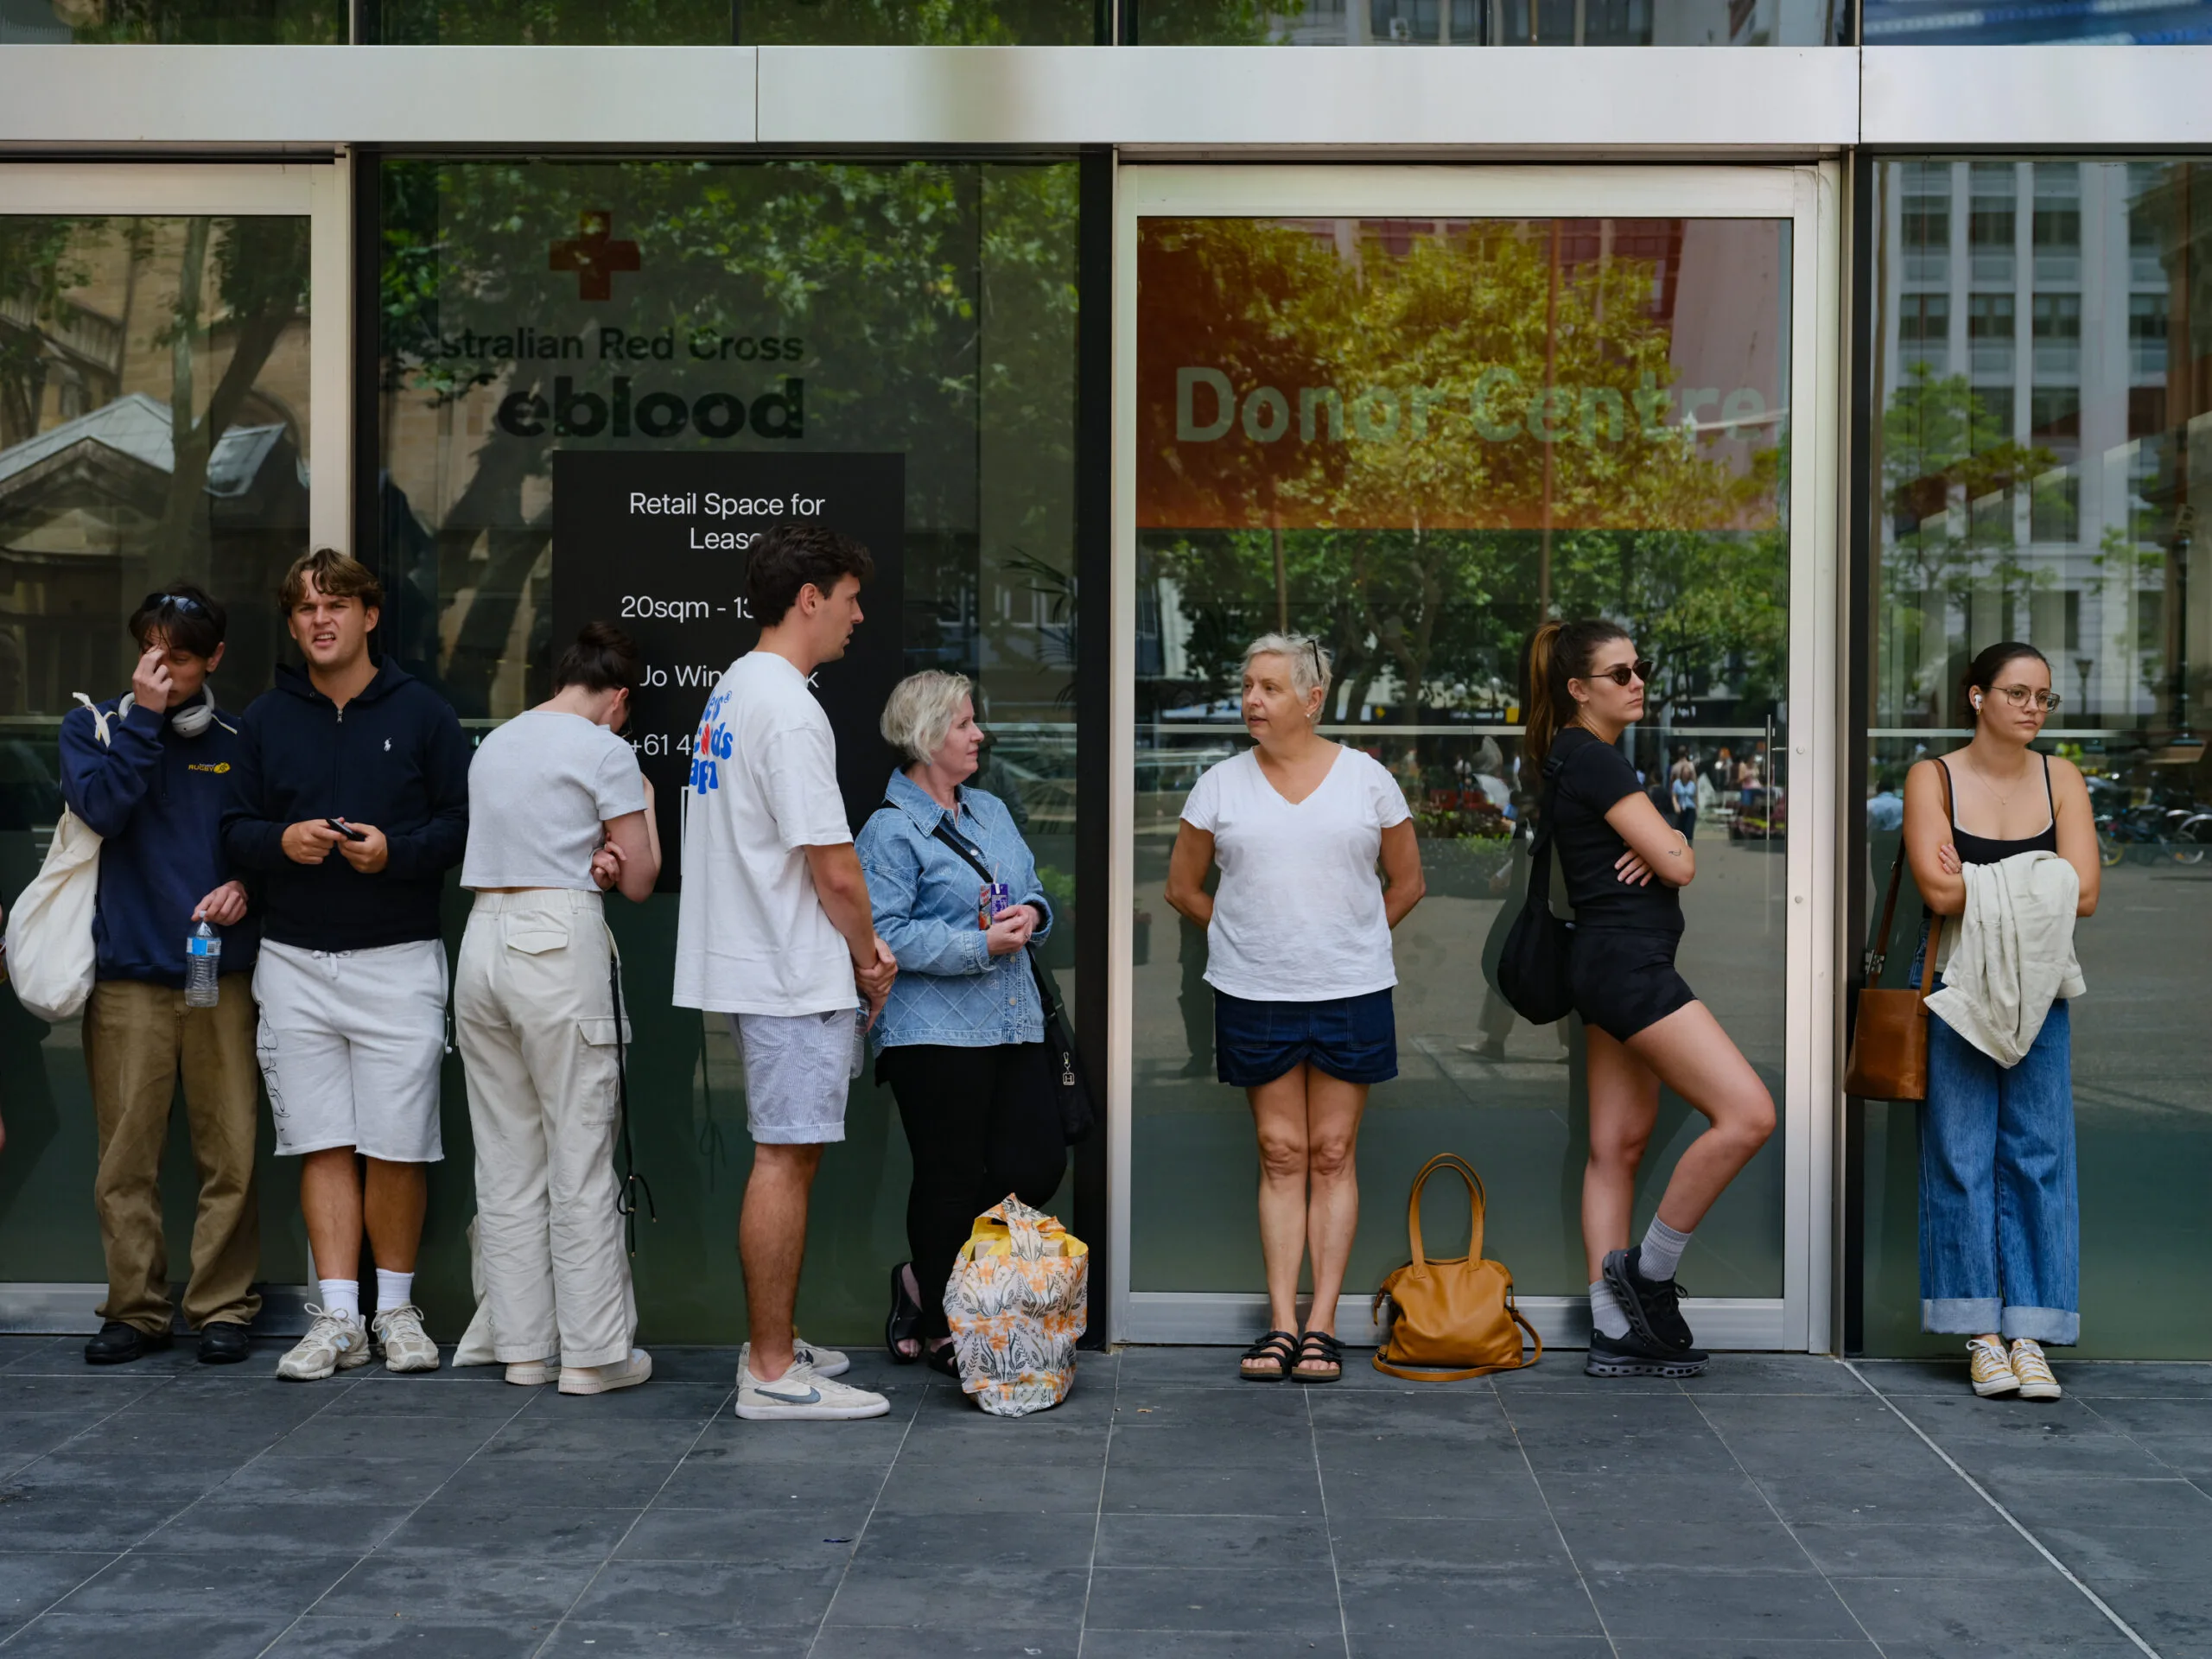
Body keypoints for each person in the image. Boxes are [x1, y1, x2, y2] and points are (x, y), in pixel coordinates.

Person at [223, 549, 469, 1381]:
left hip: (398, 957)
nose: (320, 619)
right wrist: (281, 842)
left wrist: (395, 852)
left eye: (336, 604)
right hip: (293, 959)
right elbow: (233, 829)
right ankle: (338, 1319)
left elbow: (460, 826)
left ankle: (394, 1311)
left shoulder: (425, 712)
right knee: (321, 1141)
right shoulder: (265, 719)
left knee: (398, 1145)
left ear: (370, 615)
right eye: (305, 608)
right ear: (292, 625)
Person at [674, 524, 898, 1422]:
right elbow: (834, 867)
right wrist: (870, 957)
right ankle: (770, 1371)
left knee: (785, 1153)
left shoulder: (734, 688)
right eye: (849, 597)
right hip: (787, 966)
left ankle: (776, 1343)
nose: (857, 615)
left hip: (755, 955)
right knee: (784, 1158)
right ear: (810, 597)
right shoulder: (791, 709)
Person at [1164, 634, 1426, 1383]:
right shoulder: (1219, 785)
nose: (1252, 699)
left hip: (1351, 992)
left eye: (1270, 688)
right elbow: (1183, 888)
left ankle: (1322, 1325)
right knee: (1280, 1152)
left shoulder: (1368, 780)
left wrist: (1349, 941)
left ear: (1313, 699)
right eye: (1248, 685)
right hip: (1255, 994)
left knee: (1333, 1152)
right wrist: (1247, 939)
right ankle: (1281, 1323)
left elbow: (1408, 883)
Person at [1522, 620, 1775, 1379]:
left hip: (1608, 965)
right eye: (1620, 673)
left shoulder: (1575, 754)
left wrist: (1660, 846)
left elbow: (1664, 857)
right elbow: (1681, 863)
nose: (1638, 683)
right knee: (1748, 1114)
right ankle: (1648, 1272)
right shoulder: (1595, 759)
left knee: (1617, 1146)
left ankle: (1612, 1329)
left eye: (1641, 669)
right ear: (1578, 689)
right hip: (1629, 970)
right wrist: (1668, 843)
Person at [455, 623, 660, 1395]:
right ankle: (592, 1355)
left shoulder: (497, 744)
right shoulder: (605, 749)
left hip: (482, 941)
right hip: (555, 941)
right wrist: (641, 806)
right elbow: (639, 878)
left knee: (507, 1161)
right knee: (580, 1155)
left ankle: (521, 1350)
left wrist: (592, 855)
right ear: (619, 699)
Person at [62, 586, 260, 1366]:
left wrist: (249, 886)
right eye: (149, 650)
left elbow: (265, 839)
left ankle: (222, 1307)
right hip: (129, 978)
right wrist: (143, 722)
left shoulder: (242, 739)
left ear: (214, 659)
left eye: (178, 656)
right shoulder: (96, 727)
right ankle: (136, 1309)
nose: (161, 668)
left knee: (230, 1151)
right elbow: (102, 812)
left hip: (220, 973)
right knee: (126, 1157)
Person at [857, 671, 1067, 1375]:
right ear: (926, 738)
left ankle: (920, 1279)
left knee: (1035, 1164)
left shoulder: (991, 811)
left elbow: (1033, 891)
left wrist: (1032, 915)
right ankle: (949, 1323)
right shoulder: (889, 831)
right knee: (947, 1177)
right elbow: (882, 935)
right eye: (964, 725)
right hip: (931, 1034)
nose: (979, 735)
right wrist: (980, 945)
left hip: (1013, 1022)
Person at [1903, 643, 2097, 1402]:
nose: (2033, 708)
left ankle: (2031, 1335)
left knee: (2040, 1157)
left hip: (2042, 985)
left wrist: (1981, 878)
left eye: (2044, 697)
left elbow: (2086, 894)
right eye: (2017, 693)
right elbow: (1936, 890)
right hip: (1956, 984)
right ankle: (1981, 1336)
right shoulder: (1934, 777)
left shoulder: (2061, 778)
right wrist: (2042, 874)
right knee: (1959, 1155)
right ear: (1977, 696)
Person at [1669, 755, 1700, 842]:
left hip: (1690, 808)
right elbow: (1674, 796)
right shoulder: (1677, 783)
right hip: (1681, 809)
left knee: (1689, 832)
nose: (1686, 775)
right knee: (1680, 832)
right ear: (1682, 773)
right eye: (1685, 773)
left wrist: (1697, 808)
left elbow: (1695, 797)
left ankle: (1689, 847)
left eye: (1688, 773)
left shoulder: (1692, 784)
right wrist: (1676, 805)